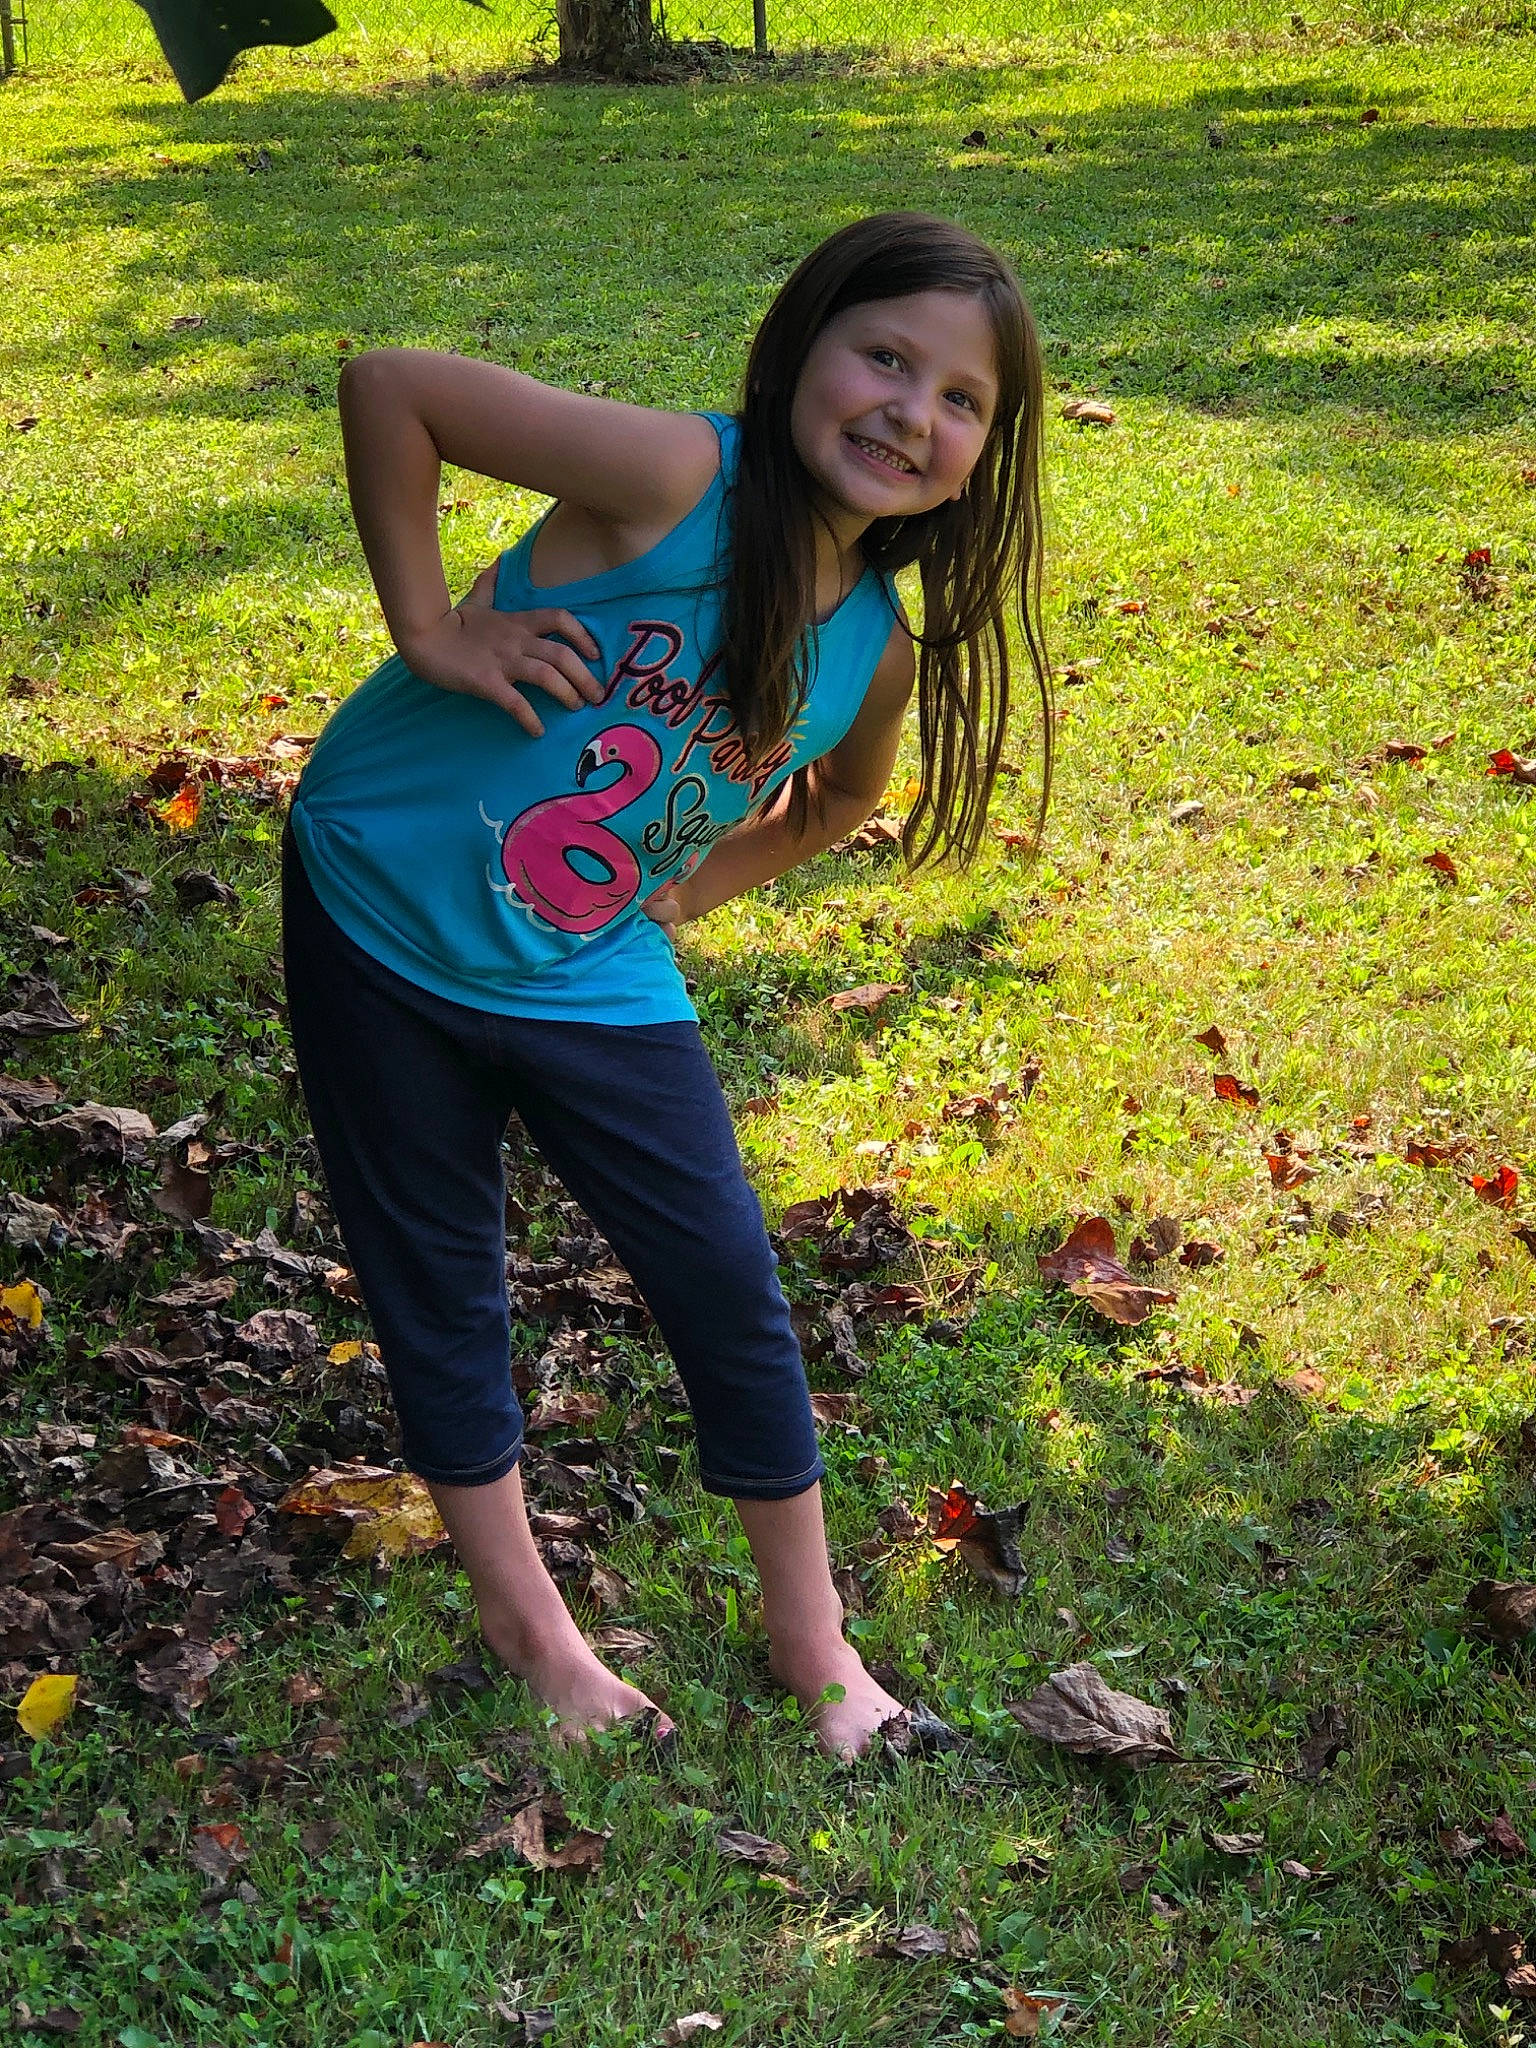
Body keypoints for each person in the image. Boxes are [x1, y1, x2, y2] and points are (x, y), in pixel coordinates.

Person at [282, 211, 1051, 1758]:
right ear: (798, 355)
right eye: (884, 357)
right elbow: (392, 384)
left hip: (590, 964)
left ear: (987, 454)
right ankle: (534, 1631)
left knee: (723, 1278)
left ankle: (815, 1646)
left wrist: (686, 889)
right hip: (379, 903)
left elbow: (838, 802)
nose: (912, 410)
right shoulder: (681, 480)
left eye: (959, 398)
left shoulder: (873, 649)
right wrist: (431, 629)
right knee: (441, 1278)